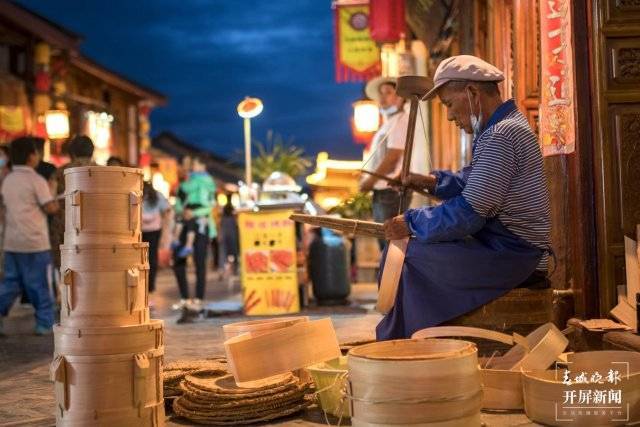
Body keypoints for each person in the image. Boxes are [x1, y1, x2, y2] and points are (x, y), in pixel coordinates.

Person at [378, 55, 551, 340]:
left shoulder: (502, 134)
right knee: (409, 251)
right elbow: (470, 182)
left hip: (516, 256)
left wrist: (410, 222)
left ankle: (408, 346)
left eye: (448, 104)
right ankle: (413, 340)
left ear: (472, 93)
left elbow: (468, 214)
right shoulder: (502, 128)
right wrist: (429, 182)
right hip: (504, 248)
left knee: (408, 257)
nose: (449, 116)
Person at [0, 137, 59, 335]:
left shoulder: (7, 180)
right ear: (31, 156)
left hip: (12, 241)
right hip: (35, 242)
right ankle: (44, 323)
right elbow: (50, 207)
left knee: (10, 284)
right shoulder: (37, 180)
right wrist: (54, 193)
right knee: (40, 284)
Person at [358, 77, 409, 249]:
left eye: (388, 92)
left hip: (390, 191)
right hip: (383, 191)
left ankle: (395, 276)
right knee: (387, 242)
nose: (383, 97)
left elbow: (393, 156)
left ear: (401, 97)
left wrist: (370, 181)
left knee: (390, 243)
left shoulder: (402, 120)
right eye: (381, 94)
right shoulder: (390, 122)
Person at [172, 157, 216, 311]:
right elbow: (177, 203)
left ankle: (198, 298)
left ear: (202, 165)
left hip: (201, 224)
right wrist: (183, 212)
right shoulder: (183, 185)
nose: (191, 167)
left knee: (200, 262)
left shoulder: (208, 183)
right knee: (178, 260)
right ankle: (184, 297)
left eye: (194, 164)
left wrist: (194, 212)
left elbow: (210, 206)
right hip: (185, 222)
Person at [51, 135, 96, 272]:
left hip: (66, 227)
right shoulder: (103, 172)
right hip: (95, 226)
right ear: (92, 151)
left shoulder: (59, 172)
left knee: (67, 271)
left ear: (72, 152)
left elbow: (51, 199)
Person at [141, 181, 170, 299]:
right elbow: (167, 212)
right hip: (154, 230)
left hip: (140, 231)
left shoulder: (137, 194)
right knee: (152, 258)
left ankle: (144, 286)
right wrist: (165, 231)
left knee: (141, 259)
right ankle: (150, 287)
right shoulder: (157, 195)